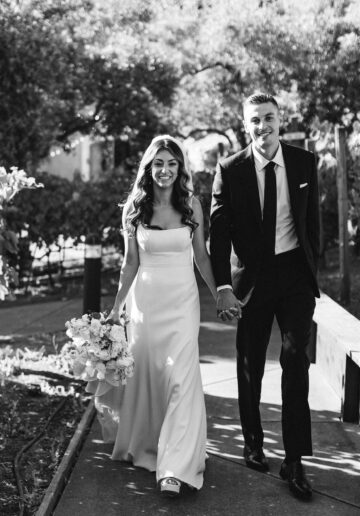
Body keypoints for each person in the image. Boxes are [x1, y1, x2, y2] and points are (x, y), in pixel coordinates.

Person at [210, 93, 320, 501]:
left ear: (280, 119)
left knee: (295, 359)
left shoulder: (305, 162)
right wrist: (223, 288)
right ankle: (253, 441)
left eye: (269, 118)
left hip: (294, 277)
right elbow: (218, 236)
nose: (263, 126)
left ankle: (295, 459)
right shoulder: (229, 169)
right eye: (254, 120)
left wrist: (313, 272)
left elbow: (312, 225)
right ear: (245, 125)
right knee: (250, 363)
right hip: (252, 281)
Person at [101, 135, 217, 496]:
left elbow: (201, 257)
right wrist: (115, 309)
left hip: (183, 303)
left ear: (179, 168)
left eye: (171, 163)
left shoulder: (191, 206)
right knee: (151, 376)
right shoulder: (134, 209)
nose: (165, 170)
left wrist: (219, 294)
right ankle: (154, 445)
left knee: (181, 379)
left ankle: (174, 468)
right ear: (148, 169)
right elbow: (129, 263)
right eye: (158, 164)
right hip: (146, 305)